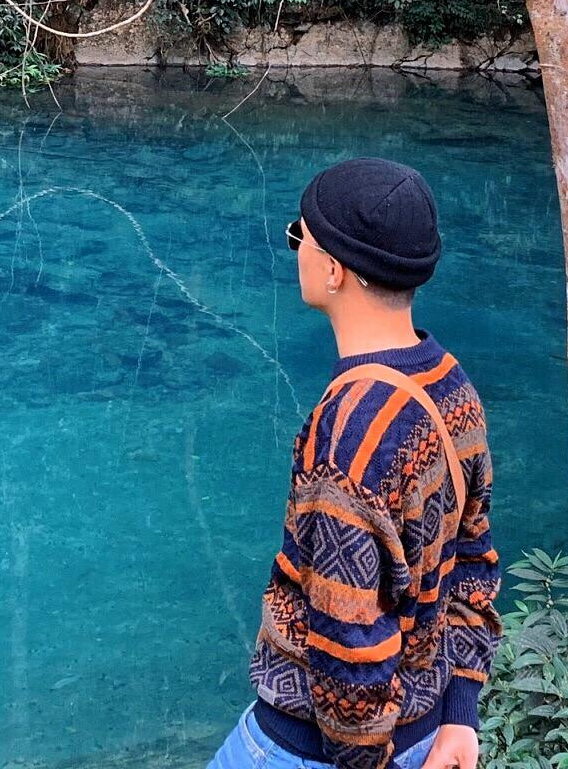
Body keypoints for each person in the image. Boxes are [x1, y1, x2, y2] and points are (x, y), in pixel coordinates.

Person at [208, 157, 500, 769]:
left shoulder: (352, 435)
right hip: (424, 730)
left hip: (309, 750)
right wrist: (460, 715)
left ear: (334, 269)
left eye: (301, 236)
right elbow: (473, 561)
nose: (297, 249)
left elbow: (350, 644)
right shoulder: (452, 387)